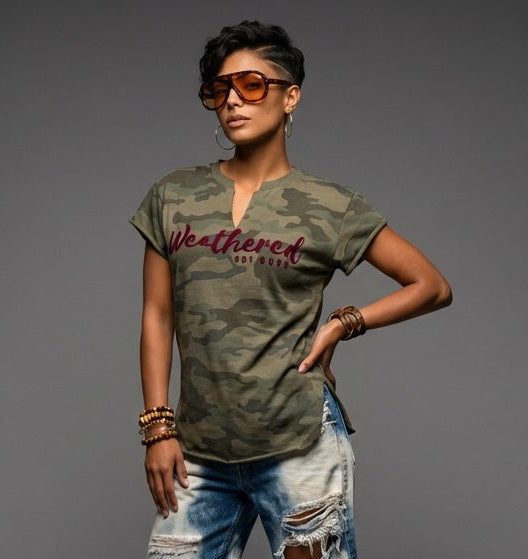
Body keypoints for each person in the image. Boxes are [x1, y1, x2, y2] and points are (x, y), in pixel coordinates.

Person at [129, 20, 452, 559]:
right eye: (219, 88)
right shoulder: (173, 195)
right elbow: (157, 315)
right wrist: (158, 429)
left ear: (290, 97)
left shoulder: (331, 205)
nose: (232, 100)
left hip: (299, 443)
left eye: (251, 84)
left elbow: (432, 286)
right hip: (198, 453)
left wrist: (345, 323)